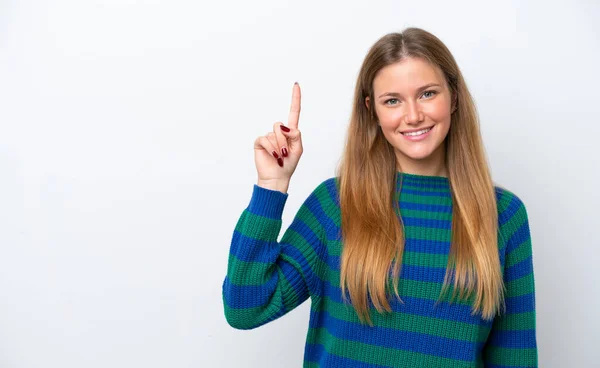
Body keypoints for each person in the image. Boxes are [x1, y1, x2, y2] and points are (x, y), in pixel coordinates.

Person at [222, 27, 538, 367]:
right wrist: (271, 185)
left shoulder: (503, 215)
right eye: (393, 100)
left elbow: (515, 358)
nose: (413, 115)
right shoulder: (336, 205)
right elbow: (245, 307)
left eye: (428, 94)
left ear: (455, 97)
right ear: (372, 109)